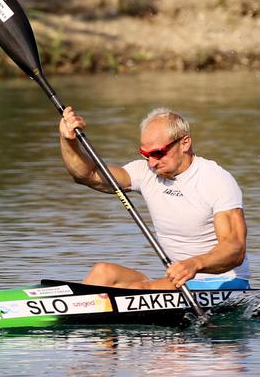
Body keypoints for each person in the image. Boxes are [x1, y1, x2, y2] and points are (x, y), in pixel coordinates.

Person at [58, 106, 250, 291]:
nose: (151, 162)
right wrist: (69, 141)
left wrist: (195, 264)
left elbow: (234, 248)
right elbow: (87, 175)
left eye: (158, 153)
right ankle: (78, 313)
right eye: (145, 154)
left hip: (222, 283)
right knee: (103, 272)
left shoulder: (215, 180)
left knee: (137, 289)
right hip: (179, 281)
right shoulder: (146, 172)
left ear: (185, 143)